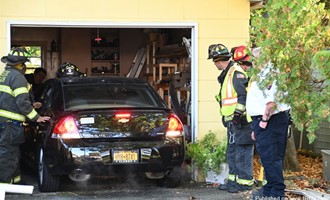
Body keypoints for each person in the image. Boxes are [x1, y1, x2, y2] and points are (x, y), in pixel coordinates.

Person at [208, 44, 254, 193]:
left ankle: (245, 182)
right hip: (233, 122)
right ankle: (233, 181)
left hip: (241, 121)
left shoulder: (235, 72)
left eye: (214, 62)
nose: (214, 65)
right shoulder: (228, 73)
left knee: (242, 152)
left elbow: (243, 96)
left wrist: (237, 115)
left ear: (218, 60)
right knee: (233, 151)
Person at [0, 47, 50, 184]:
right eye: (24, 64)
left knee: (11, 152)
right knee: (8, 154)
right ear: (20, 64)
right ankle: (5, 185)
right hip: (10, 124)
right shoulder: (18, 77)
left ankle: (14, 182)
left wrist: (32, 106)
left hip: (5, 123)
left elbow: (9, 100)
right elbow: (22, 101)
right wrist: (37, 117)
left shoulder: (5, 75)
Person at [246, 47, 291, 199]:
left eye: (254, 58)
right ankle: (269, 189)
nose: (252, 61)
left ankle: (277, 193)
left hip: (271, 120)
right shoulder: (262, 74)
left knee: (272, 157)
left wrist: (263, 121)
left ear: (262, 58)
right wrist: (256, 126)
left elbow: (271, 103)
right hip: (262, 121)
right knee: (267, 157)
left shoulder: (271, 74)